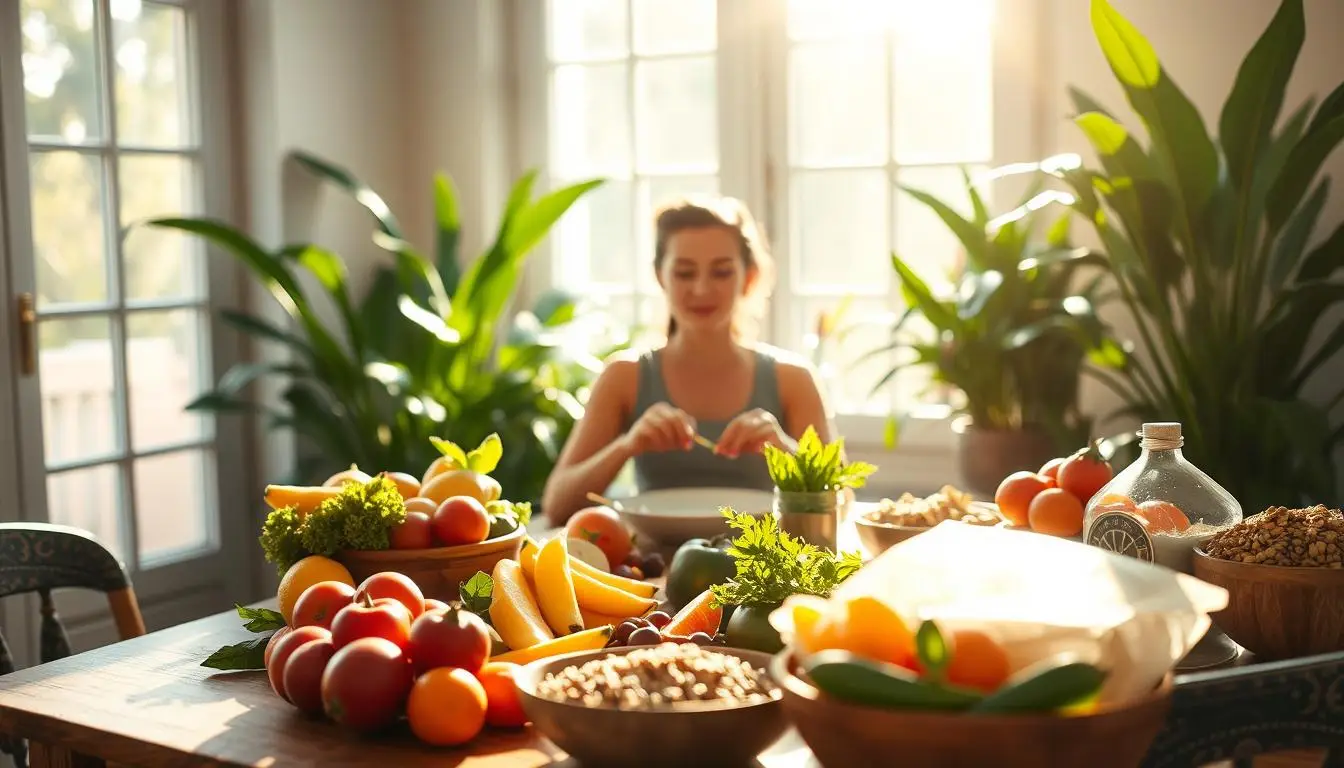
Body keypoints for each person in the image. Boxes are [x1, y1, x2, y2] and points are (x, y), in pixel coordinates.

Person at [541, 195, 836, 526]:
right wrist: (627, 445)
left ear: (749, 277)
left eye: (721, 272)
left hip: (763, 570)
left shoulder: (792, 379)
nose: (701, 288)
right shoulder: (624, 376)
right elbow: (557, 505)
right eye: (684, 273)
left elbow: (840, 502)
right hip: (650, 570)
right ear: (660, 276)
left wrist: (785, 449)